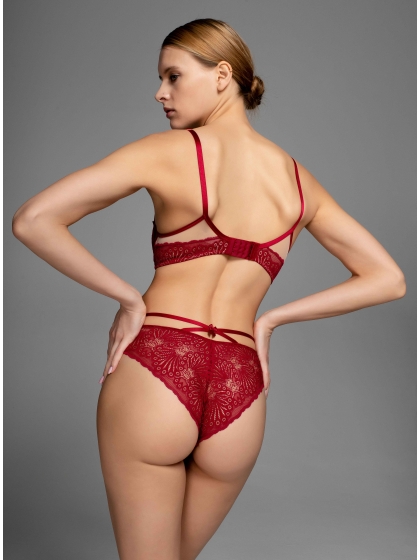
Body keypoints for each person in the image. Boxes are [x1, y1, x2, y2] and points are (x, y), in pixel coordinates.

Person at [12, 17, 406, 560]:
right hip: (240, 385)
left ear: (222, 75)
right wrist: (270, 320)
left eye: (173, 76)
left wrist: (128, 298)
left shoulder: (167, 151)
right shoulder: (298, 182)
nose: (160, 92)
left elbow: (33, 219)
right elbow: (389, 279)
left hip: (157, 364)